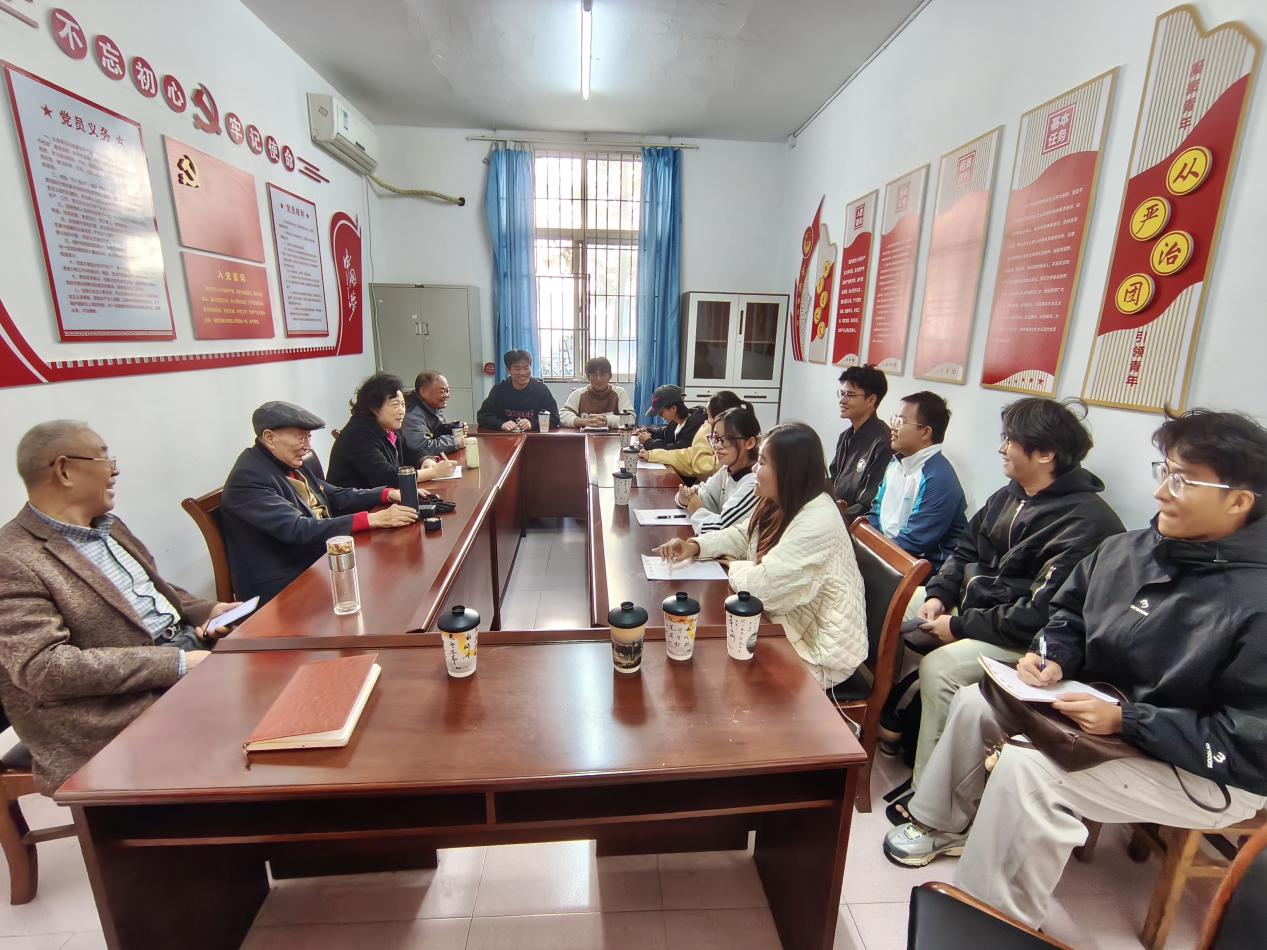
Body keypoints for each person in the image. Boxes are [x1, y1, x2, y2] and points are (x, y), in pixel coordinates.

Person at [884, 408, 1267, 933]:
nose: (1160, 493)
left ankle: (993, 928)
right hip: (1109, 712)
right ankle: (938, 823)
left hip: (1203, 767)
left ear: (1239, 501)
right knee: (977, 700)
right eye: (1164, 471)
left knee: (1029, 771)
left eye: (1182, 480)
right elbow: (1070, 613)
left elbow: (1252, 740)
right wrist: (1053, 653)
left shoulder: (1255, 597)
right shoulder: (1132, 549)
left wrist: (1129, 722)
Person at [892, 398, 1125, 814]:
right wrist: (939, 594)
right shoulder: (1010, 495)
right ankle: (890, 718)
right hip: (975, 609)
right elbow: (965, 549)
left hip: (1027, 641)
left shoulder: (1086, 524)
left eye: (1010, 440)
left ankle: (929, 793)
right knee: (899, 602)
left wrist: (958, 627)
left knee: (942, 669)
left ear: (1046, 454)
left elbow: (1040, 615)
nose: (1001, 448)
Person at [0, 421, 238, 794]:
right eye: (104, 458)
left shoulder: (108, 526)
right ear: (64, 470)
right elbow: (44, 668)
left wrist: (205, 611)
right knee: (248, 732)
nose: (115, 471)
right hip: (109, 707)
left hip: (184, 653)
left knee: (277, 683)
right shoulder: (14, 559)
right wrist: (177, 663)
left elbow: (153, 590)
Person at [657, 423, 867, 689]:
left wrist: (735, 565)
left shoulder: (817, 521)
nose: (755, 468)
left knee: (715, 674)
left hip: (820, 653)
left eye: (764, 462)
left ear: (790, 470)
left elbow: (761, 589)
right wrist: (695, 546)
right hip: (786, 623)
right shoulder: (783, 499)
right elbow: (743, 535)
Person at [221, 401, 419, 604]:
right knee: (384, 589)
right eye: (300, 438)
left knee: (394, 572)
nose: (308, 447)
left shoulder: (287, 462)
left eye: (308, 437)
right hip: (285, 587)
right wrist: (373, 519)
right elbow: (297, 528)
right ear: (270, 437)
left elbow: (334, 495)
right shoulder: (248, 478)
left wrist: (387, 494)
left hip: (317, 560)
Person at [867, 391, 967, 571]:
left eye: (900, 422)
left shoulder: (938, 478)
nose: (893, 428)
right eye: (894, 420)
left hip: (928, 570)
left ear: (925, 432)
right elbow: (876, 512)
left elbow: (914, 542)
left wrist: (869, 553)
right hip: (891, 555)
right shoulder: (896, 463)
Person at [327, 373, 455, 489]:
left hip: (383, 498)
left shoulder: (388, 427)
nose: (401, 411)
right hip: (361, 504)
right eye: (395, 405)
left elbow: (410, 451)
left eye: (403, 405)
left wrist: (425, 460)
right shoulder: (358, 435)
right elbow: (386, 477)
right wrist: (433, 472)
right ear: (374, 408)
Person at [678, 405, 760, 535]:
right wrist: (685, 497)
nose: (717, 446)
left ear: (749, 443)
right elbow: (706, 494)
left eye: (725, 439)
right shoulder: (727, 469)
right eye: (715, 438)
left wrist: (696, 510)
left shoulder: (755, 485)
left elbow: (721, 528)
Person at [829, 365, 893, 517]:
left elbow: (867, 505)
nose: (842, 400)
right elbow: (834, 481)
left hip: (853, 521)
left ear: (871, 400)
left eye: (850, 395)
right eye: (842, 393)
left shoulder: (883, 443)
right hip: (836, 512)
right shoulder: (845, 436)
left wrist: (831, 519)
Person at [642, 390, 738, 481]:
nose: (707, 422)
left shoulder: (701, 428)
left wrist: (650, 444)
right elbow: (685, 455)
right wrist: (652, 454)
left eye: (709, 417)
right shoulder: (675, 423)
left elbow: (698, 463)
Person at [477, 350, 560, 431]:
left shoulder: (541, 390)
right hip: (506, 437)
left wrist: (532, 424)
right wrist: (501, 424)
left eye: (526, 367)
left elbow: (555, 418)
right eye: (517, 369)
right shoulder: (499, 390)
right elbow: (482, 416)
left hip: (533, 437)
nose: (522, 373)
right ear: (508, 370)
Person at [403, 371, 467, 460]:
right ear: (423, 391)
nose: (446, 395)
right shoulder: (412, 414)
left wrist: (452, 429)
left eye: (447, 391)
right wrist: (455, 441)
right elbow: (423, 447)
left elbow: (436, 430)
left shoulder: (432, 405)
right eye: (442, 391)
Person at [559, 356, 633, 429]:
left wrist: (607, 420)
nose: (598, 379)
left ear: (610, 376)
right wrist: (584, 422)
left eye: (603, 375)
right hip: (584, 435)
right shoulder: (578, 394)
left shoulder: (619, 393)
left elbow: (631, 418)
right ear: (588, 377)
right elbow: (562, 416)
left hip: (613, 436)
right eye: (594, 375)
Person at [636, 384, 706, 451]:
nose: (659, 415)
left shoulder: (696, 426)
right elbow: (664, 433)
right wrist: (648, 431)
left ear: (673, 408)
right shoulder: (676, 422)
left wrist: (649, 442)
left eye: (661, 412)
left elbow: (677, 451)